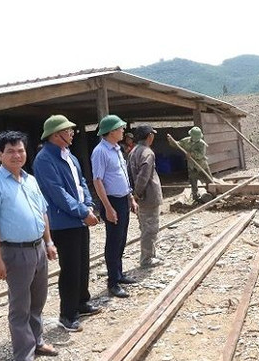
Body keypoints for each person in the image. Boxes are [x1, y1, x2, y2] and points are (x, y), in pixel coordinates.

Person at [0, 131, 59, 361]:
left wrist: (48, 241)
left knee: (38, 300)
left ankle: (37, 340)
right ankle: (24, 357)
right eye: (11, 151)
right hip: (15, 252)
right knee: (20, 306)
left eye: (21, 150)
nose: (17, 155)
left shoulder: (30, 180)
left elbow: (42, 213)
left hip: (37, 248)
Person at [34, 115, 101, 333]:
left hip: (79, 218)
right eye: (68, 130)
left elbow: (81, 182)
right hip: (63, 222)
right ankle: (68, 313)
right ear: (55, 135)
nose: (72, 133)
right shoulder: (44, 159)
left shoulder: (69, 155)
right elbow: (58, 194)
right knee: (70, 268)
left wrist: (88, 205)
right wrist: (83, 212)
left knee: (82, 263)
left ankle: (82, 302)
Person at [91, 114, 139, 299]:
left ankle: (119, 274)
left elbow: (122, 177)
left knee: (121, 239)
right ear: (111, 132)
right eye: (120, 128)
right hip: (111, 201)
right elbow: (98, 180)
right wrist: (108, 207)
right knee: (113, 242)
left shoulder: (117, 149)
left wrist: (130, 198)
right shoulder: (100, 151)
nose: (123, 131)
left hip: (122, 200)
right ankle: (112, 282)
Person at [127, 125, 165, 268]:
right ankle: (147, 259)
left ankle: (151, 253)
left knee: (144, 226)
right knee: (151, 228)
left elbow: (129, 174)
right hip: (148, 196)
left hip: (140, 198)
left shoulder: (133, 151)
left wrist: (133, 194)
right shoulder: (147, 153)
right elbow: (143, 177)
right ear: (149, 136)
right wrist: (137, 193)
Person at [168, 126, 214, 203]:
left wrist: (192, 154)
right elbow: (178, 144)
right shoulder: (186, 141)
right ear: (191, 136)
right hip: (192, 166)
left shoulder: (202, 144)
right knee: (193, 182)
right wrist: (171, 141)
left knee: (209, 181)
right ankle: (196, 197)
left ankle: (213, 194)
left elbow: (201, 155)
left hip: (202, 166)